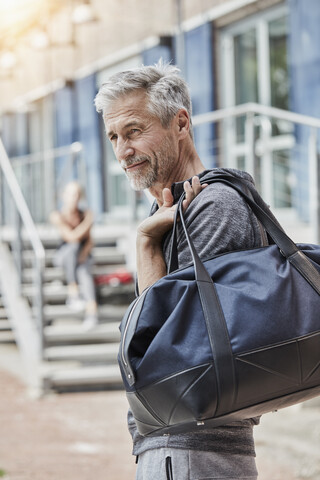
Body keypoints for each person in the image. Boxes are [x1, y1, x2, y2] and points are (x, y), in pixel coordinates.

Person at [95, 61, 266, 480]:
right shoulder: (172, 211)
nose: (122, 151)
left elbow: (165, 357)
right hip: (180, 448)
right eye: (114, 137)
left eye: (134, 131)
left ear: (181, 122)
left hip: (193, 451)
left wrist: (145, 242)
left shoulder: (213, 207)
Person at [50, 181, 98, 329]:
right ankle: (73, 290)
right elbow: (71, 237)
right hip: (62, 258)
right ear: (63, 196)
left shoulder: (83, 214)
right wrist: (88, 222)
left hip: (81, 258)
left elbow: (89, 242)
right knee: (73, 246)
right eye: (71, 194)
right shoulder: (57, 215)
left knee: (83, 271)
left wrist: (83, 255)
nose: (74, 197)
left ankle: (91, 312)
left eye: (77, 194)